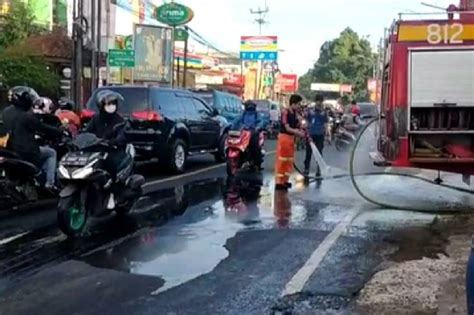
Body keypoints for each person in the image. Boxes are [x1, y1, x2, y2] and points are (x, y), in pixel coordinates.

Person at [2, 86, 63, 190]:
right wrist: (59, 131)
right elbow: (43, 128)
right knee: (51, 153)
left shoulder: (5, 112)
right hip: (26, 152)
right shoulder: (27, 116)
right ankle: (50, 184)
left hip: (8, 150)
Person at [85, 90, 127, 180]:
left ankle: (113, 186)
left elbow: (121, 136)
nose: (111, 106)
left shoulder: (119, 120)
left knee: (111, 164)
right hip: (96, 149)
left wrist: (112, 142)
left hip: (113, 151)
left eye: (113, 103)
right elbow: (87, 132)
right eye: (108, 104)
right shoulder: (96, 119)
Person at [274, 94, 305, 191]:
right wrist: (297, 132)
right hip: (284, 138)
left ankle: (285, 181)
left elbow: (297, 124)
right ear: (293, 103)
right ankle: (279, 182)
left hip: (291, 139)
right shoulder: (285, 112)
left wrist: (301, 124)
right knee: (282, 160)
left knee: (289, 160)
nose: (299, 106)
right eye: (298, 104)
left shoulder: (296, 113)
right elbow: (287, 127)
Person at [231, 100, 265, 168]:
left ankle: (257, 162)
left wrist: (257, 128)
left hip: (253, 133)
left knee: (255, 147)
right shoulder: (243, 113)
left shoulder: (256, 114)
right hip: (243, 133)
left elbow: (261, 122)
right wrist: (231, 126)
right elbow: (237, 121)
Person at [304, 94, 329, 178]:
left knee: (319, 153)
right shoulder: (310, 111)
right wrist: (306, 132)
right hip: (311, 134)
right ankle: (306, 168)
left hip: (320, 134)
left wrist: (327, 135)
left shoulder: (324, 112)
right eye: (318, 101)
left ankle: (318, 169)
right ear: (315, 101)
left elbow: (326, 124)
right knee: (308, 152)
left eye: (320, 101)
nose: (319, 103)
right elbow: (306, 122)